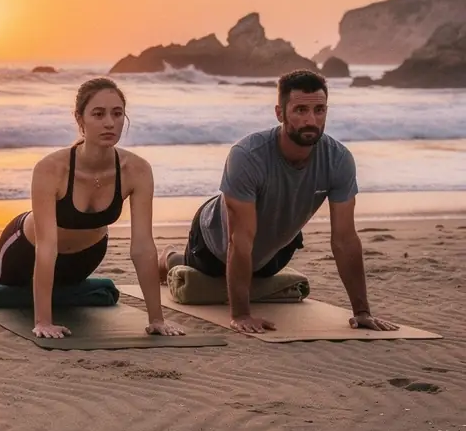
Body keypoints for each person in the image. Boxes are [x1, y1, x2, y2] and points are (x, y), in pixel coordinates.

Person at [158, 69, 398, 336]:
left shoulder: (338, 159)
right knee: (200, 274)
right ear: (280, 113)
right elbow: (239, 239)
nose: (311, 120)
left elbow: (345, 240)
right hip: (216, 242)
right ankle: (168, 256)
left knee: (260, 275)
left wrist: (362, 312)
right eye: (300, 110)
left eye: (319, 110)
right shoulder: (247, 155)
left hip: (275, 250)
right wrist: (240, 315)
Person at [0, 77, 185, 339]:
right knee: (4, 282)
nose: (109, 122)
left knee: (66, 291)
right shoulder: (52, 168)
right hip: (27, 249)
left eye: (117, 114)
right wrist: (43, 322)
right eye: (98, 114)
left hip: (87, 256)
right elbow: (46, 246)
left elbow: (142, 246)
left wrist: (156, 319)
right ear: (80, 119)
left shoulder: (136, 170)